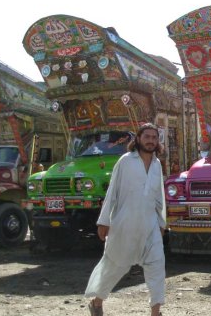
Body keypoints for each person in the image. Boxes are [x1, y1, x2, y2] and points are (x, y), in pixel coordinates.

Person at [85, 123, 167, 316]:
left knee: (157, 266)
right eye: (146, 137)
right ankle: (97, 302)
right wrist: (104, 221)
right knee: (115, 266)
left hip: (150, 226)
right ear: (138, 139)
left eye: (154, 138)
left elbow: (159, 197)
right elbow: (112, 192)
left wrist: (161, 223)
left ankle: (156, 312)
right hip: (124, 224)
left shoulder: (156, 165)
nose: (150, 141)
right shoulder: (125, 161)